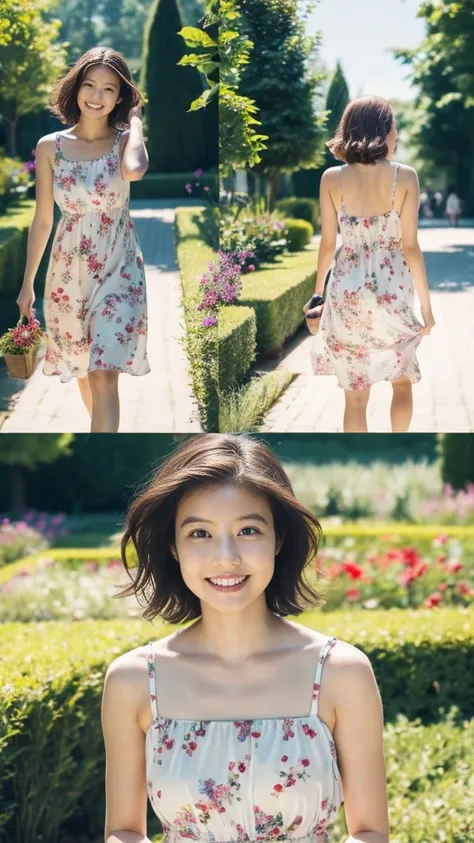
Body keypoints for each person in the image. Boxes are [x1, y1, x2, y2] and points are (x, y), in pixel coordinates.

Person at [101, 433, 390, 843]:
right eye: (199, 533)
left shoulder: (341, 673)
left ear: (279, 539)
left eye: (249, 530)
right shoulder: (133, 681)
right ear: (173, 546)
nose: (226, 557)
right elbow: (124, 831)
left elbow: (371, 831)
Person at [16, 46, 150, 433]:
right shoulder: (49, 147)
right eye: (89, 85)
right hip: (67, 275)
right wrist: (27, 283)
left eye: (109, 89)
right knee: (84, 371)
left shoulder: (126, 143)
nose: (96, 97)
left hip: (119, 270)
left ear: (121, 96)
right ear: (76, 89)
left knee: (104, 374)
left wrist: (136, 125)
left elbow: (135, 172)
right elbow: (42, 219)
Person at [304, 95, 436, 434]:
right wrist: (427, 307)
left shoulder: (331, 179)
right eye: (394, 127)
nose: (397, 135)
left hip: (347, 291)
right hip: (392, 290)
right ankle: (398, 444)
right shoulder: (405, 177)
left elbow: (328, 244)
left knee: (355, 397)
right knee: (402, 380)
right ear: (381, 130)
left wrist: (318, 294)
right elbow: (410, 246)